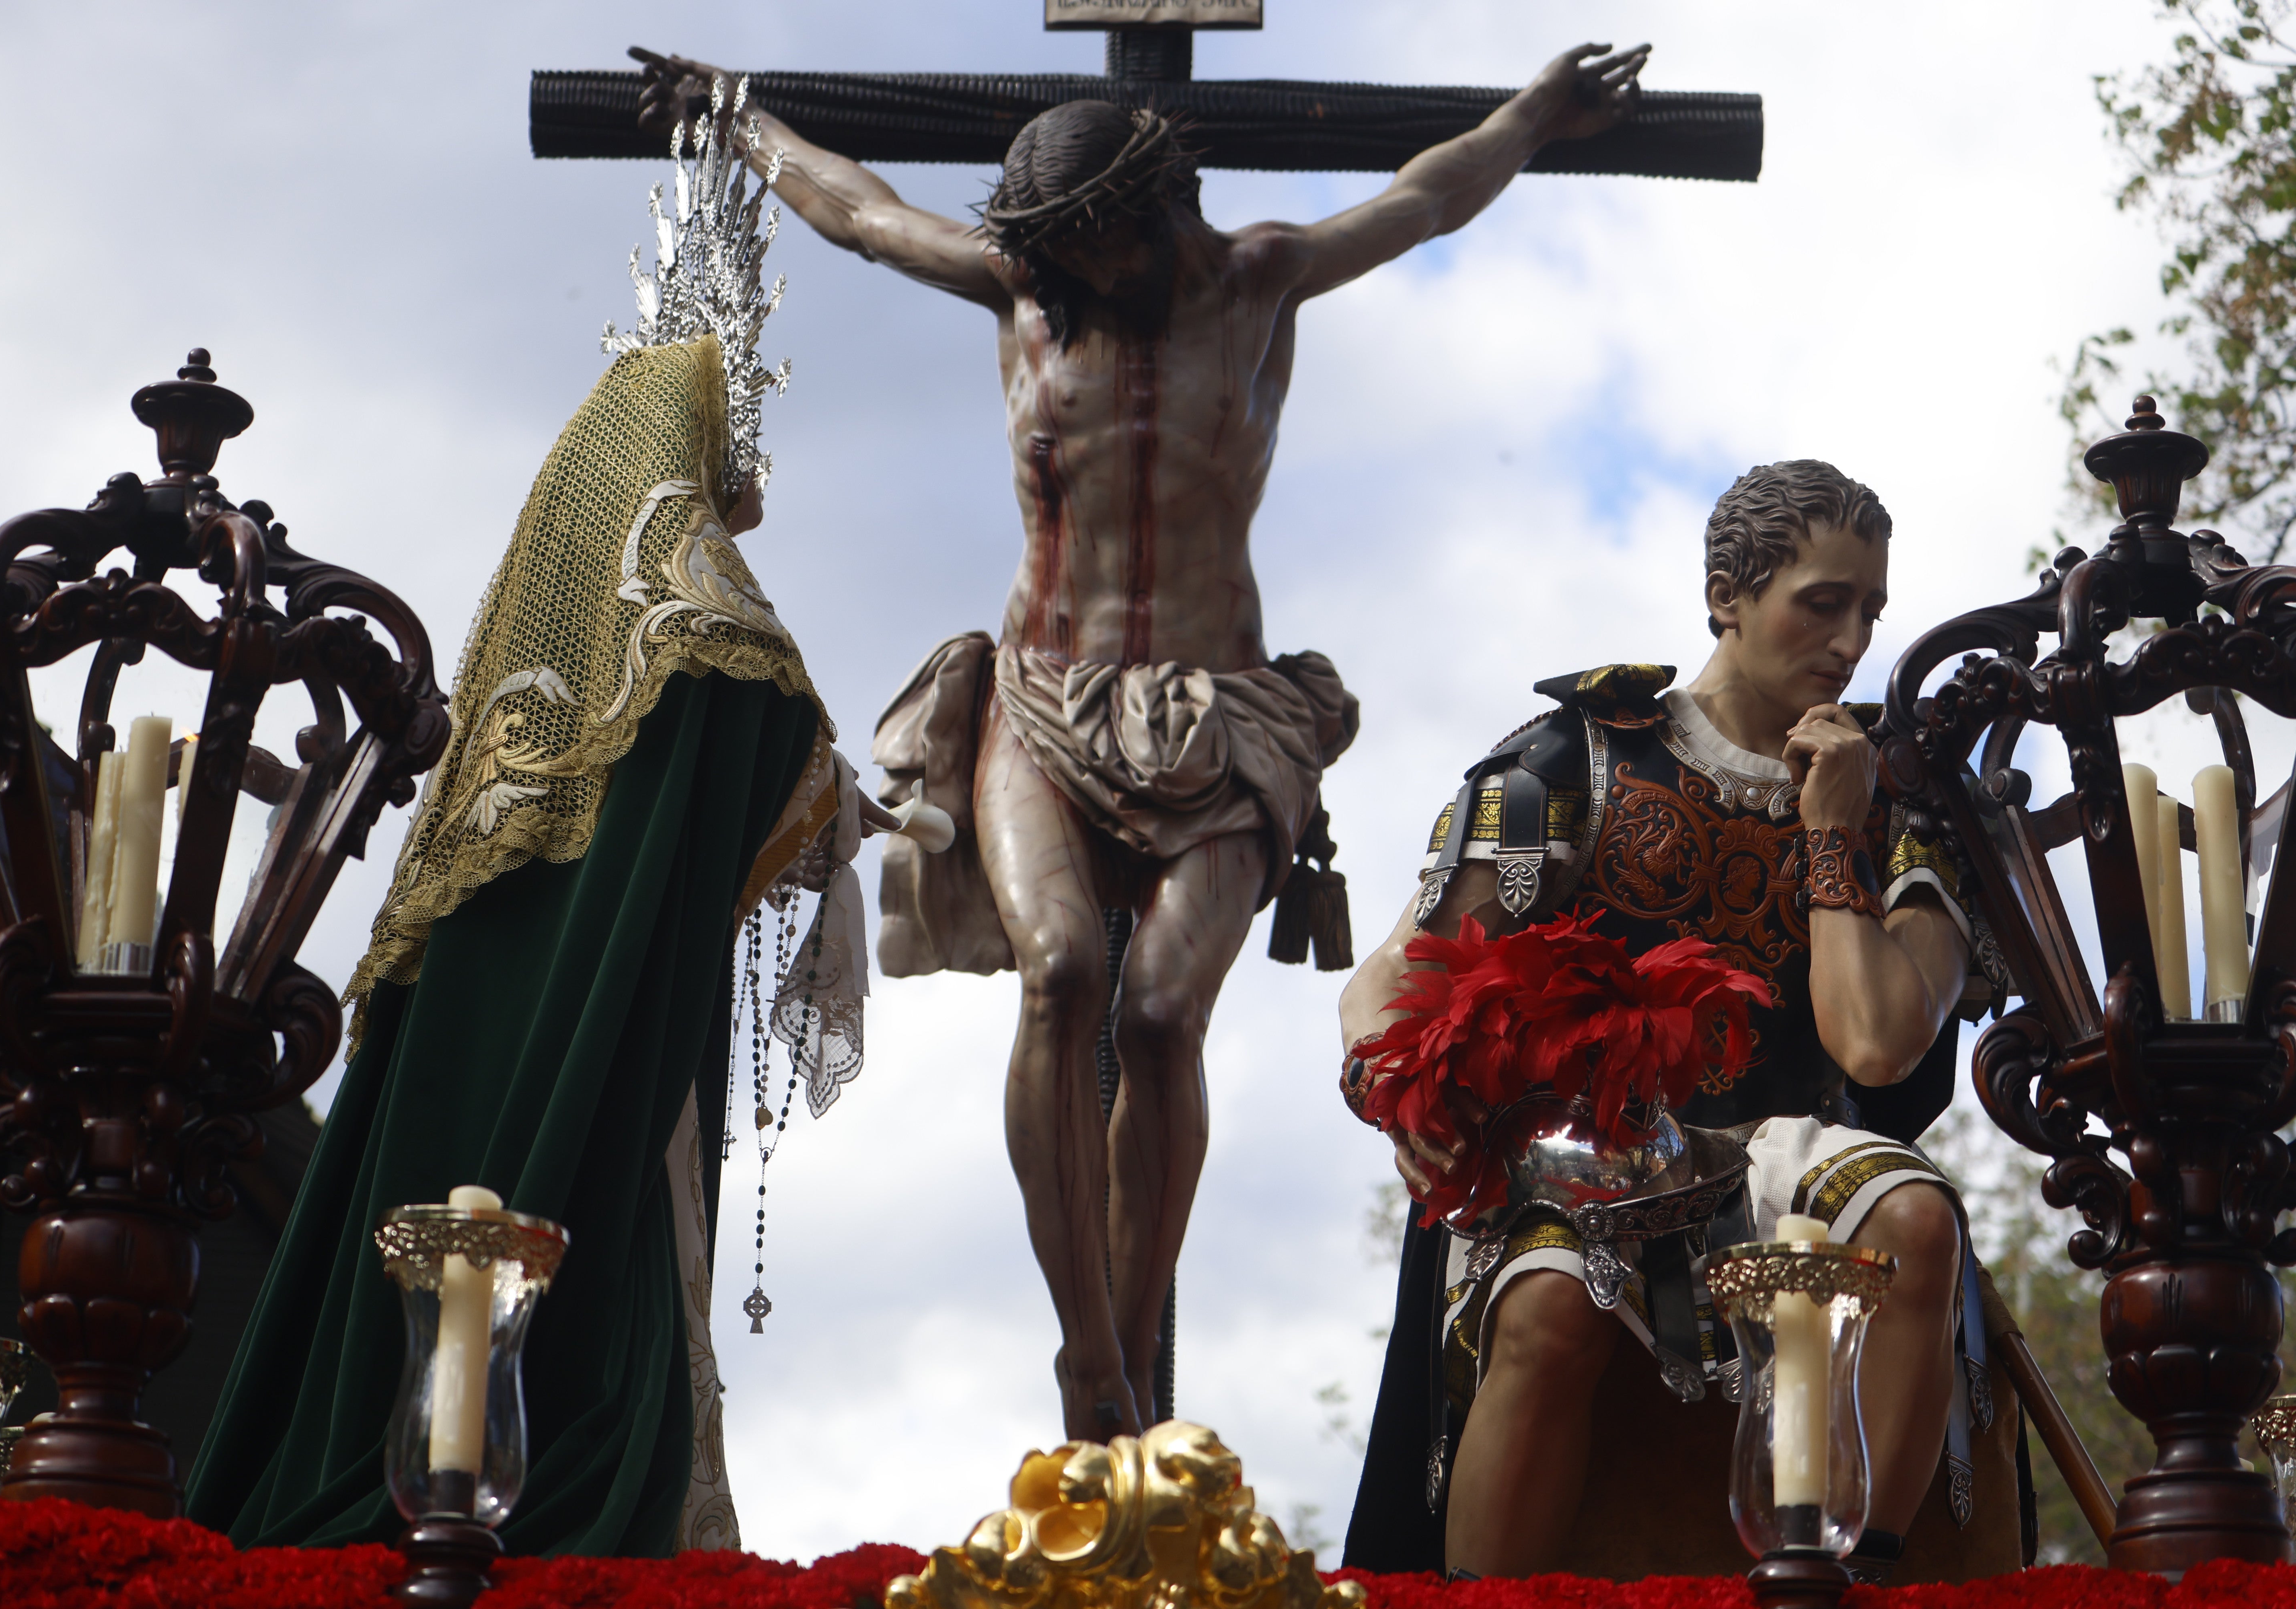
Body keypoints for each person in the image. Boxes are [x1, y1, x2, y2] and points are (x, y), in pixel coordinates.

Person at [635, 40, 1652, 1440]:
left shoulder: (1262, 276)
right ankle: (1090, 1363)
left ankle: (1126, 1337)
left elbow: (1425, 197)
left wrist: (1537, 112)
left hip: (1222, 718)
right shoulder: (1026, 290)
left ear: (1159, 209)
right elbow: (864, 215)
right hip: (1044, 701)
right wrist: (740, 122)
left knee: (1164, 1012)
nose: (1070, 277)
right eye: (1049, 257)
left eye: (1091, 249)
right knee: (1060, 973)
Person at [185, 109, 884, 1555]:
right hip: (599, 1061)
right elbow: (763, 713)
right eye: (732, 441)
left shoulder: (544, 664)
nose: (748, 481)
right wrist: (829, 790)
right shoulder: (693, 618)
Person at [1337, 462, 1987, 1579]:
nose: (1850, 642)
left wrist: (1833, 832)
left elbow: (1877, 1046)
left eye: (1871, 611)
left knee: (1920, 1219)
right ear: (1727, 596)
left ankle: (1859, 1578)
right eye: (1823, 603)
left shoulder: (1906, 803)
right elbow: (1403, 969)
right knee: (1553, 1302)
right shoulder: (1576, 758)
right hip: (1585, 1147)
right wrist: (1390, 1086)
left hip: (1793, 1155)